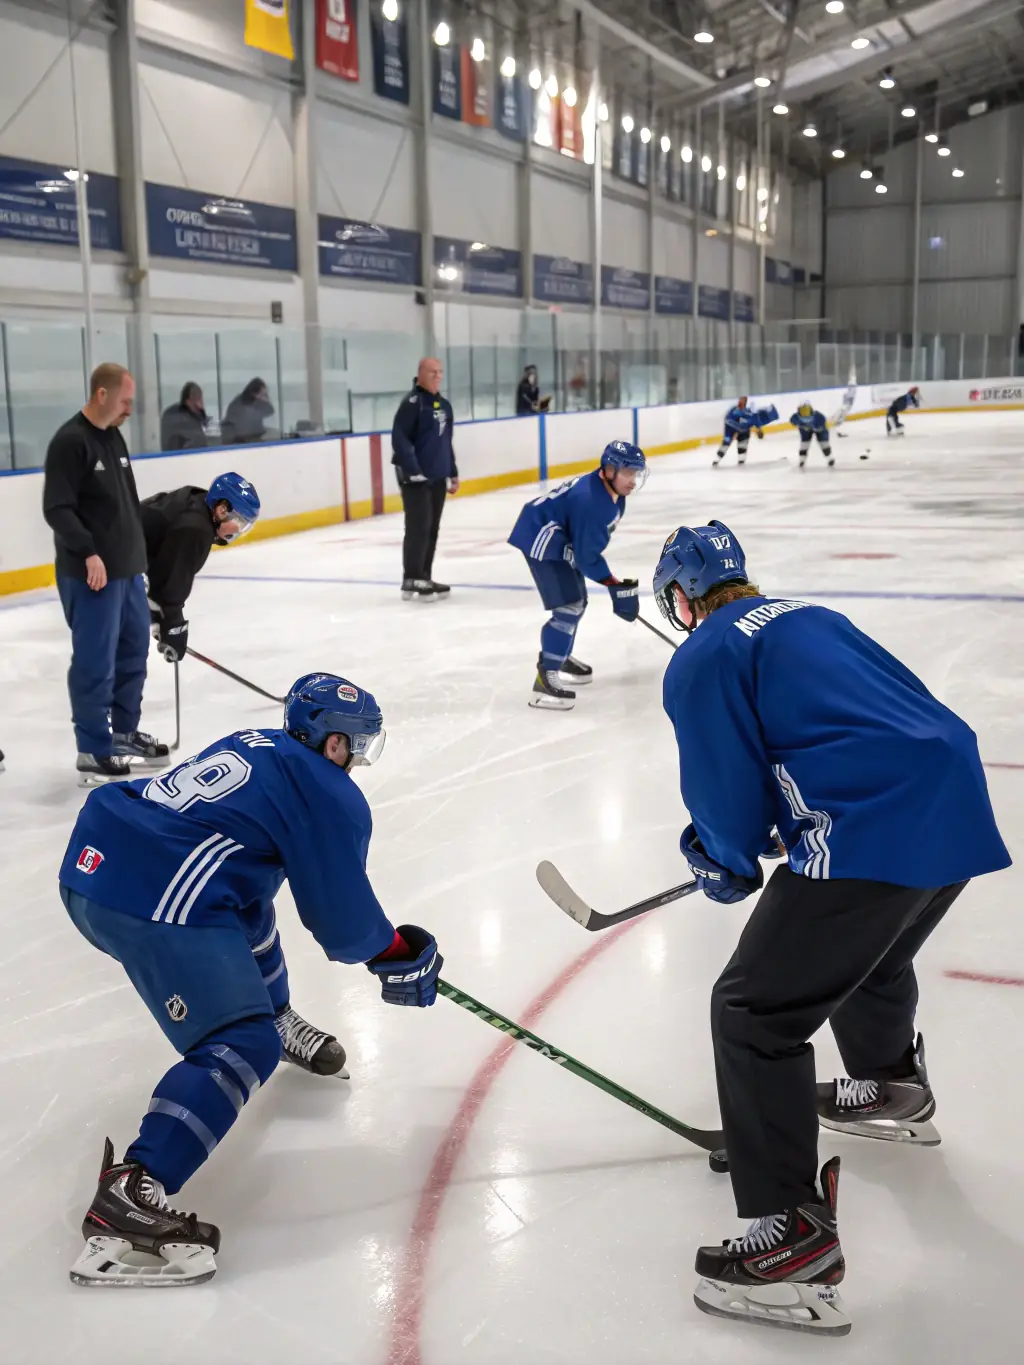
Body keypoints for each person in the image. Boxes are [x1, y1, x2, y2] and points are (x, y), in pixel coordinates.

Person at [652, 521, 1010, 1336]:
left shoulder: (704, 653)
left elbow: (725, 803)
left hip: (874, 822)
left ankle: (791, 1244)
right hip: (952, 795)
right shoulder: (806, 614)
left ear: (681, 596)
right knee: (868, 950)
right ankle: (890, 1084)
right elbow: (872, 719)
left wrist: (725, 856)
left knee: (752, 1011)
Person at [59, 672, 443, 1288]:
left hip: (93, 860)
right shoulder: (328, 789)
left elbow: (243, 864)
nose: (360, 759)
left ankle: (277, 1013)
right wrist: (395, 951)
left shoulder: (259, 740)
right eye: (359, 745)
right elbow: (340, 920)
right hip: (145, 896)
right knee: (243, 1044)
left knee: (247, 897)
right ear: (335, 744)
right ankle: (130, 1193)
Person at [42, 362, 168, 785]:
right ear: (102, 394)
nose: (129, 408)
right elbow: (57, 507)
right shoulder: (70, 442)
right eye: (125, 399)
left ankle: (123, 734)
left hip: (127, 572)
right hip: (91, 574)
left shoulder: (112, 437)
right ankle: (93, 748)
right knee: (96, 661)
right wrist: (88, 552)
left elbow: (126, 505)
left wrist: (140, 560)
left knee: (133, 653)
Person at [507, 441, 647, 710]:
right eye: (628, 472)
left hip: (560, 535)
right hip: (541, 537)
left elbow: (589, 547)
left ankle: (559, 655)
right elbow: (586, 557)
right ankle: (545, 680)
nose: (633, 480)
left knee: (578, 601)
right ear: (608, 470)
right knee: (569, 605)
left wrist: (610, 583)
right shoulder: (592, 501)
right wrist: (613, 584)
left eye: (636, 473)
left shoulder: (612, 494)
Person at [142, 473, 262, 664]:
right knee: (127, 653)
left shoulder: (197, 503)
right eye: (239, 522)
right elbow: (172, 584)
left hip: (117, 559)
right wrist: (172, 625)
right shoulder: (196, 529)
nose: (238, 530)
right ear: (222, 510)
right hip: (110, 568)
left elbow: (162, 567)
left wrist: (160, 615)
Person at [391, 357, 459, 602]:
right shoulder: (413, 403)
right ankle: (412, 577)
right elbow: (399, 438)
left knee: (431, 527)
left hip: (437, 475)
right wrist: (412, 468)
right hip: (415, 477)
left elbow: (445, 441)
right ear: (420, 374)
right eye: (432, 372)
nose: (437, 376)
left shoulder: (444, 405)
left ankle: (423, 576)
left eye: (440, 372)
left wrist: (452, 471)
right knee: (418, 526)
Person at [712, 397, 777, 468]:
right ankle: (716, 461)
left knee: (742, 446)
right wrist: (735, 429)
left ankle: (741, 463)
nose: (741, 402)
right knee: (725, 444)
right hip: (730, 429)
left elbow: (756, 422)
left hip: (743, 431)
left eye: (743, 400)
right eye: (740, 400)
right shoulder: (733, 411)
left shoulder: (750, 413)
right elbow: (727, 420)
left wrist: (759, 431)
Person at [221, 377, 274, 445]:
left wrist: (265, 400)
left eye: (266, 395)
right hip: (238, 443)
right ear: (254, 394)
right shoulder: (239, 406)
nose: (265, 398)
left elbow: (270, 411)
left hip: (250, 440)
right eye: (263, 395)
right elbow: (246, 431)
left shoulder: (256, 404)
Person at [159, 382, 211, 451]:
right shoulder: (175, 416)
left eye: (200, 398)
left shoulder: (198, 416)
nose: (201, 402)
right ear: (188, 401)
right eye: (197, 398)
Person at [789, 402, 833, 469]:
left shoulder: (819, 417)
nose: (805, 414)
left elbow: (822, 427)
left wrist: (818, 429)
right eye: (803, 411)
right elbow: (793, 422)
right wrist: (802, 426)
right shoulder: (795, 417)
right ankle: (802, 460)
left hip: (819, 430)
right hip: (805, 430)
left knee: (824, 443)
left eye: (806, 411)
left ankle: (830, 458)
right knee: (804, 444)